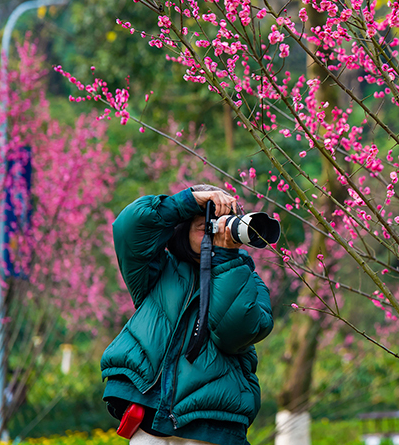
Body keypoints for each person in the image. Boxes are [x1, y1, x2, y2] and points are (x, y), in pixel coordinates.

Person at [101, 185, 274, 445]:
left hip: (213, 424)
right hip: (152, 417)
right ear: (183, 229)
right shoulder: (160, 271)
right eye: (206, 225)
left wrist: (224, 259)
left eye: (223, 224)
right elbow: (129, 228)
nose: (216, 229)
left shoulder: (248, 281)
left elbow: (233, 333)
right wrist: (187, 201)